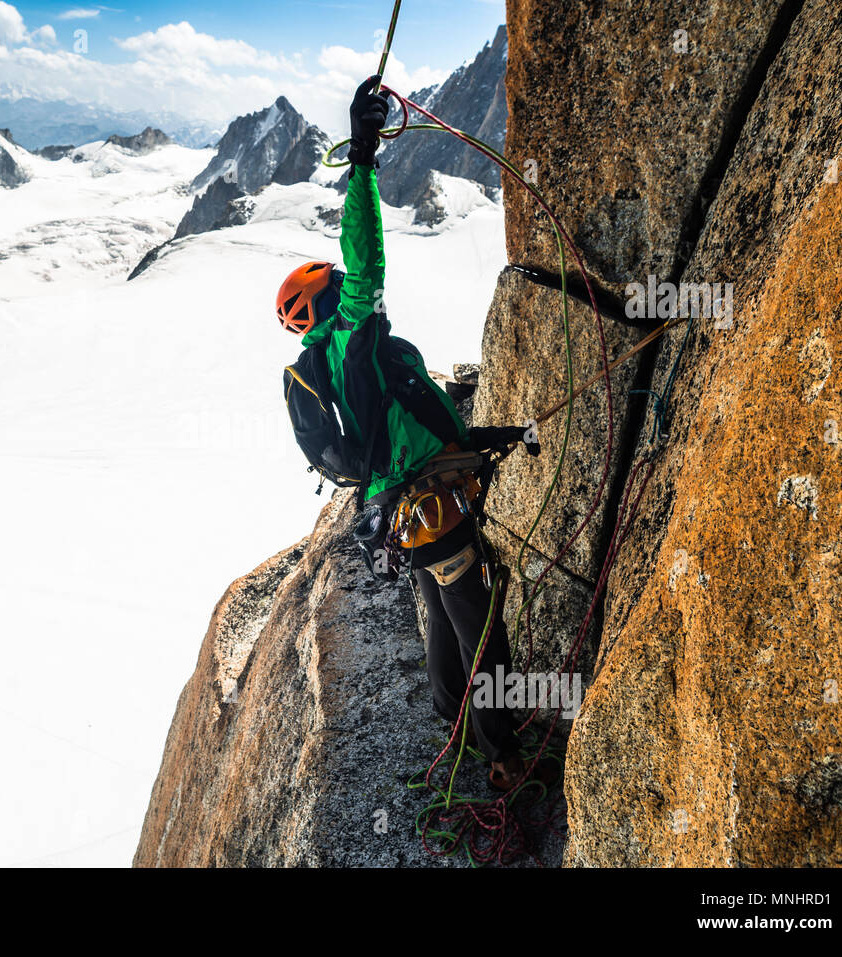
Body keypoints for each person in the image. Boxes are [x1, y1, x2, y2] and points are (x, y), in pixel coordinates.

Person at [276, 77, 545, 791]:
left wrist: (484, 431)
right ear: (322, 300)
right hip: (432, 508)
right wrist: (362, 160)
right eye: (331, 283)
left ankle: (454, 722)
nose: (344, 282)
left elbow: (405, 426)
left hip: (408, 507)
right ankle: (504, 756)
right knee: (481, 630)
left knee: (443, 615)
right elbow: (367, 257)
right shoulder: (350, 337)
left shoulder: (334, 364)